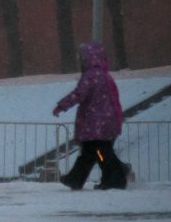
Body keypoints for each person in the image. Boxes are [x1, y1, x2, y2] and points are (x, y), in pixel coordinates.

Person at [53, 42, 128, 190]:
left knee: (99, 152)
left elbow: (79, 94)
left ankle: (115, 175)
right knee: (94, 151)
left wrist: (62, 105)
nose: (81, 62)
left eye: (82, 59)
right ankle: (79, 178)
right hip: (107, 121)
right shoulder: (105, 76)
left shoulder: (90, 76)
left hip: (96, 123)